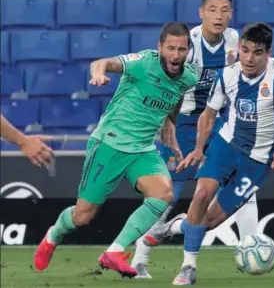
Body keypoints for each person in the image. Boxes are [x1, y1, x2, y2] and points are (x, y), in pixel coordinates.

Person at [148, 22, 274, 285]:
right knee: (202, 194)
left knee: (210, 221)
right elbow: (209, 114)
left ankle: (172, 227)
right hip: (226, 145)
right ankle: (188, 267)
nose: (248, 58)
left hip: (258, 160)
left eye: (256, 52)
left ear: (268, 53)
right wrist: (200, 149)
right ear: (238, 47)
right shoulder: (227, 75)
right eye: (244, 50)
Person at [33, 22, 199, 279]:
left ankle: (115, 251)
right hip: (109, 144)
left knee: (163, 194)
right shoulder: (144, 62)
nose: (175, 55)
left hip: (142, 149)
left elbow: (176, 94)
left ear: (188, 50)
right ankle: (53, 235)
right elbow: (103, 62)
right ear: (160, 47)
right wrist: (98, 74)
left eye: (181, 49)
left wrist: (170, 123)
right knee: (83, 215)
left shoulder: (189, 76)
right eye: (170, 49)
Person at [131, 0, 260, 278]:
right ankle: (140, 258)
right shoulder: (187, 45)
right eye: (212, 10)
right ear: (201, 13)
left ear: (231, 14)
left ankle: (246, 249)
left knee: (242, 185)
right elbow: (166, 84)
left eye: (225, 10)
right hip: (186, 122)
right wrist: (168, 126)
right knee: (167, 194)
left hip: (221, 122)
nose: (219, 16)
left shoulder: (235, 41)